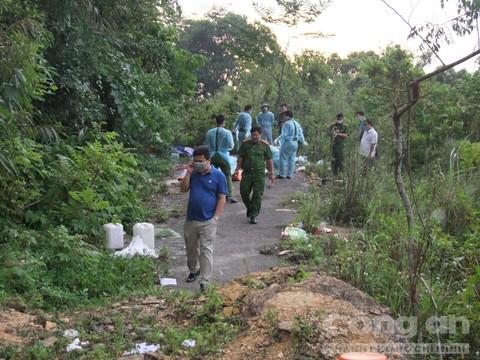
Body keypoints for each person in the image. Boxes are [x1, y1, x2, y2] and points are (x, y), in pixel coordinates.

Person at [180, 145, 227, 292]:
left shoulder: (219, 176)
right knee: (191, 250)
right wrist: (188, 173)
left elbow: (222, 198)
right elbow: (183, 189)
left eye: (201, 161)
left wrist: (216, 218)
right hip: (191, 219)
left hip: (208, 220)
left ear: (208, 160)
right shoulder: (193, 173)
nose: (198, 163)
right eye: (195, 161)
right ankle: (193, 270)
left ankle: (204, 281)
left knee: (206, 250)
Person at [234, 126, 275, 224]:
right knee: (244, 192)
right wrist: (236, 169)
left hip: (259, 174)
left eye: (256, 135)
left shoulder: (264, 146)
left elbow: (269, 160)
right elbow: (241, 158)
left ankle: (253, 215)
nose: (254, 137)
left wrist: (272, 173)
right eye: (252, 135)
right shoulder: (245, 144)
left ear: (260, 135)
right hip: (247, 173)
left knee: (257, 195)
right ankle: (251, 208)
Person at [206, 115, 238, 203]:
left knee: (212, 175)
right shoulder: (227, 132)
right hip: (223, 155)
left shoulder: (209, 132)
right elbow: (231, 146)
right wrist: (224, 148)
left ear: (216, 121)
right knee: (227, 175)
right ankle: (229, 195)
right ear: (224, 122)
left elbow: (207, 145)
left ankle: (213, 194)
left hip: (212, 156)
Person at [277, 110, 305, 179]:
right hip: (295, 142)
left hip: (288, 142)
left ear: (288, 116)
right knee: (292, 159)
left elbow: (284, 134)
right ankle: (290, 174)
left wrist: (278, 139)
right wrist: (302, 141)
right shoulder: (297, 123)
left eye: (284, 116)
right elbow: (301, 133)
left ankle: (282, 174)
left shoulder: (287, 124)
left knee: (283, 158)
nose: (283, 117)